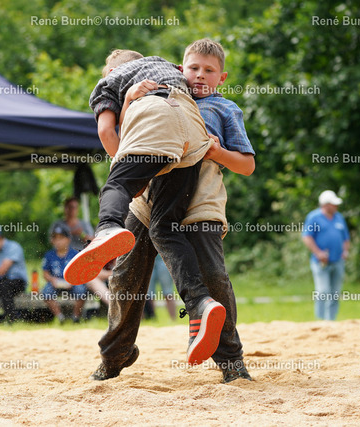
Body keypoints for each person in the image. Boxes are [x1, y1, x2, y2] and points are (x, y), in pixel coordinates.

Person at [90, 39, 255, 383]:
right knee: (125, 278)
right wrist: (130, 99)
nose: (200, 75)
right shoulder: (159, 95)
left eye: (209, 70)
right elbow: (126, 138)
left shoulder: (224, 108)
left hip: (200, 200)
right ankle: (115, 356)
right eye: (194, 68)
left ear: (222, 77)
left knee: (213, 276)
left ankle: (231, 361)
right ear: (180, 70)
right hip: (147, 201)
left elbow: (247, 165)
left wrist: (217, 152)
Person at [66, 48, 227, 369]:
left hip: (155, 120)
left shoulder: (110, 82)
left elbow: (106, 131)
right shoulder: (168, 68)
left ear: (111, 73)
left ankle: (107, 227)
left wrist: (124, 171)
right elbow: (198, 82)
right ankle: (200, 303)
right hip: (192, 134)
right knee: (165, 228)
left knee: (116, 186)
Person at [302, 190, 350, 321]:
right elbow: (307, 237)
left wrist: (345, 251)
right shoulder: (314, 217)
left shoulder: (339, 217)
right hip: (320, 262)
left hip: (338, 260)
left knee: (335, 293)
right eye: (333, 204)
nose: (336, 206)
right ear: (326, 204)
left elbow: (346, 238)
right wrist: (318, 253)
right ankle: (321, 320)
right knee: (322, 291)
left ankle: (331, 320)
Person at [40, 223, 88, 323]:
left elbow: (81, 272)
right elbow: (45, 273)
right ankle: (60, 317)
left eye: (61, 238)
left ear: (68, 239)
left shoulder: (75, 254)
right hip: (55, 282)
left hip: (72, 281)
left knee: (81, 290)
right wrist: (52, 280)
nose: (58, 241)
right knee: (46, 292)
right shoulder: (49, 255)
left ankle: (76, 317)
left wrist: (72, 280)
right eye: (55, 238)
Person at [145, 254, 177, 321]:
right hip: (148, 260)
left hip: (162, 259)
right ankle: (152, 318)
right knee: (149, 295)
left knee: (168, 293)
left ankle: (173, 319)